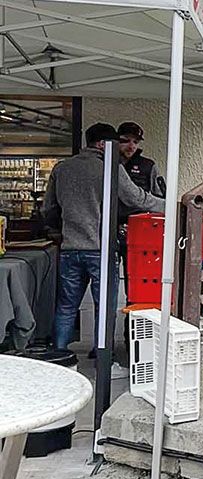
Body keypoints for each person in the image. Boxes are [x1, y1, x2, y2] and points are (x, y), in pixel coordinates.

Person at [42, 123, 165, 374]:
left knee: (67, 305)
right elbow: (136, 199)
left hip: (69, 248)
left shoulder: (62, 168)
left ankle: (59, 360)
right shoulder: (110, 168)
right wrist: (170, 204)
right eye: (115, 143)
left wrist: (59, 230)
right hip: (101, 249)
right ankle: (103, 361)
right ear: (102, 145)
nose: (121, 149)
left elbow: (48, 209)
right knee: (104, 307)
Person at [115, 122, 164, 346]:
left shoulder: (147, 166)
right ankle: (103, 345)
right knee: (105, 290)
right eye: (126, 140)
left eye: (135, 141)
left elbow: (157, 199)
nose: (131, 146)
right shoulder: (104, 164)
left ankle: (131, 341)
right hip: (104, 232)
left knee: (135, 291)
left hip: (139, 236)